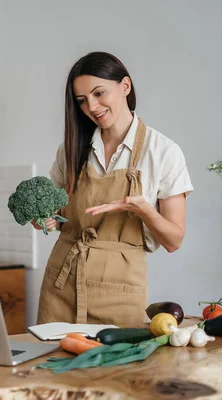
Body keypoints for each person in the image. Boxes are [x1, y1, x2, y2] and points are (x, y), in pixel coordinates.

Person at [33, 52, 193, 326]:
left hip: (120, 291)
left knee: (120, 369)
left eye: (99, 93)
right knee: (53, 367)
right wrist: (43, 220)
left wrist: (144, 210)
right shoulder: (71, 149)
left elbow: (173, 240)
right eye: (82, 100)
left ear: (125, 87)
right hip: (61, 287)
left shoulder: (163, 152)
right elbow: (51, 214)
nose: (92, 106)